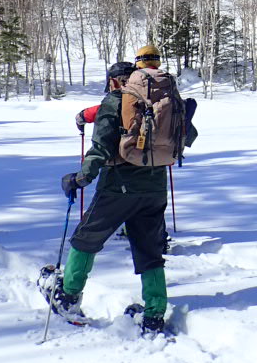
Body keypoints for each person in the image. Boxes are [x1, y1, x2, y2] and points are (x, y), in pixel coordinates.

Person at [48, 50, 185, 335]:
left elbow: (100, 148)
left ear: (114, 81)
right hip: (155, 186)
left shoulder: (115, 100)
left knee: (86, 238)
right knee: (149, 249)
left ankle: (68, 295)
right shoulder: (170, 99)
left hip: (118, 186)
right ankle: (154, 313)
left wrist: (80, 179)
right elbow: (187, 138)